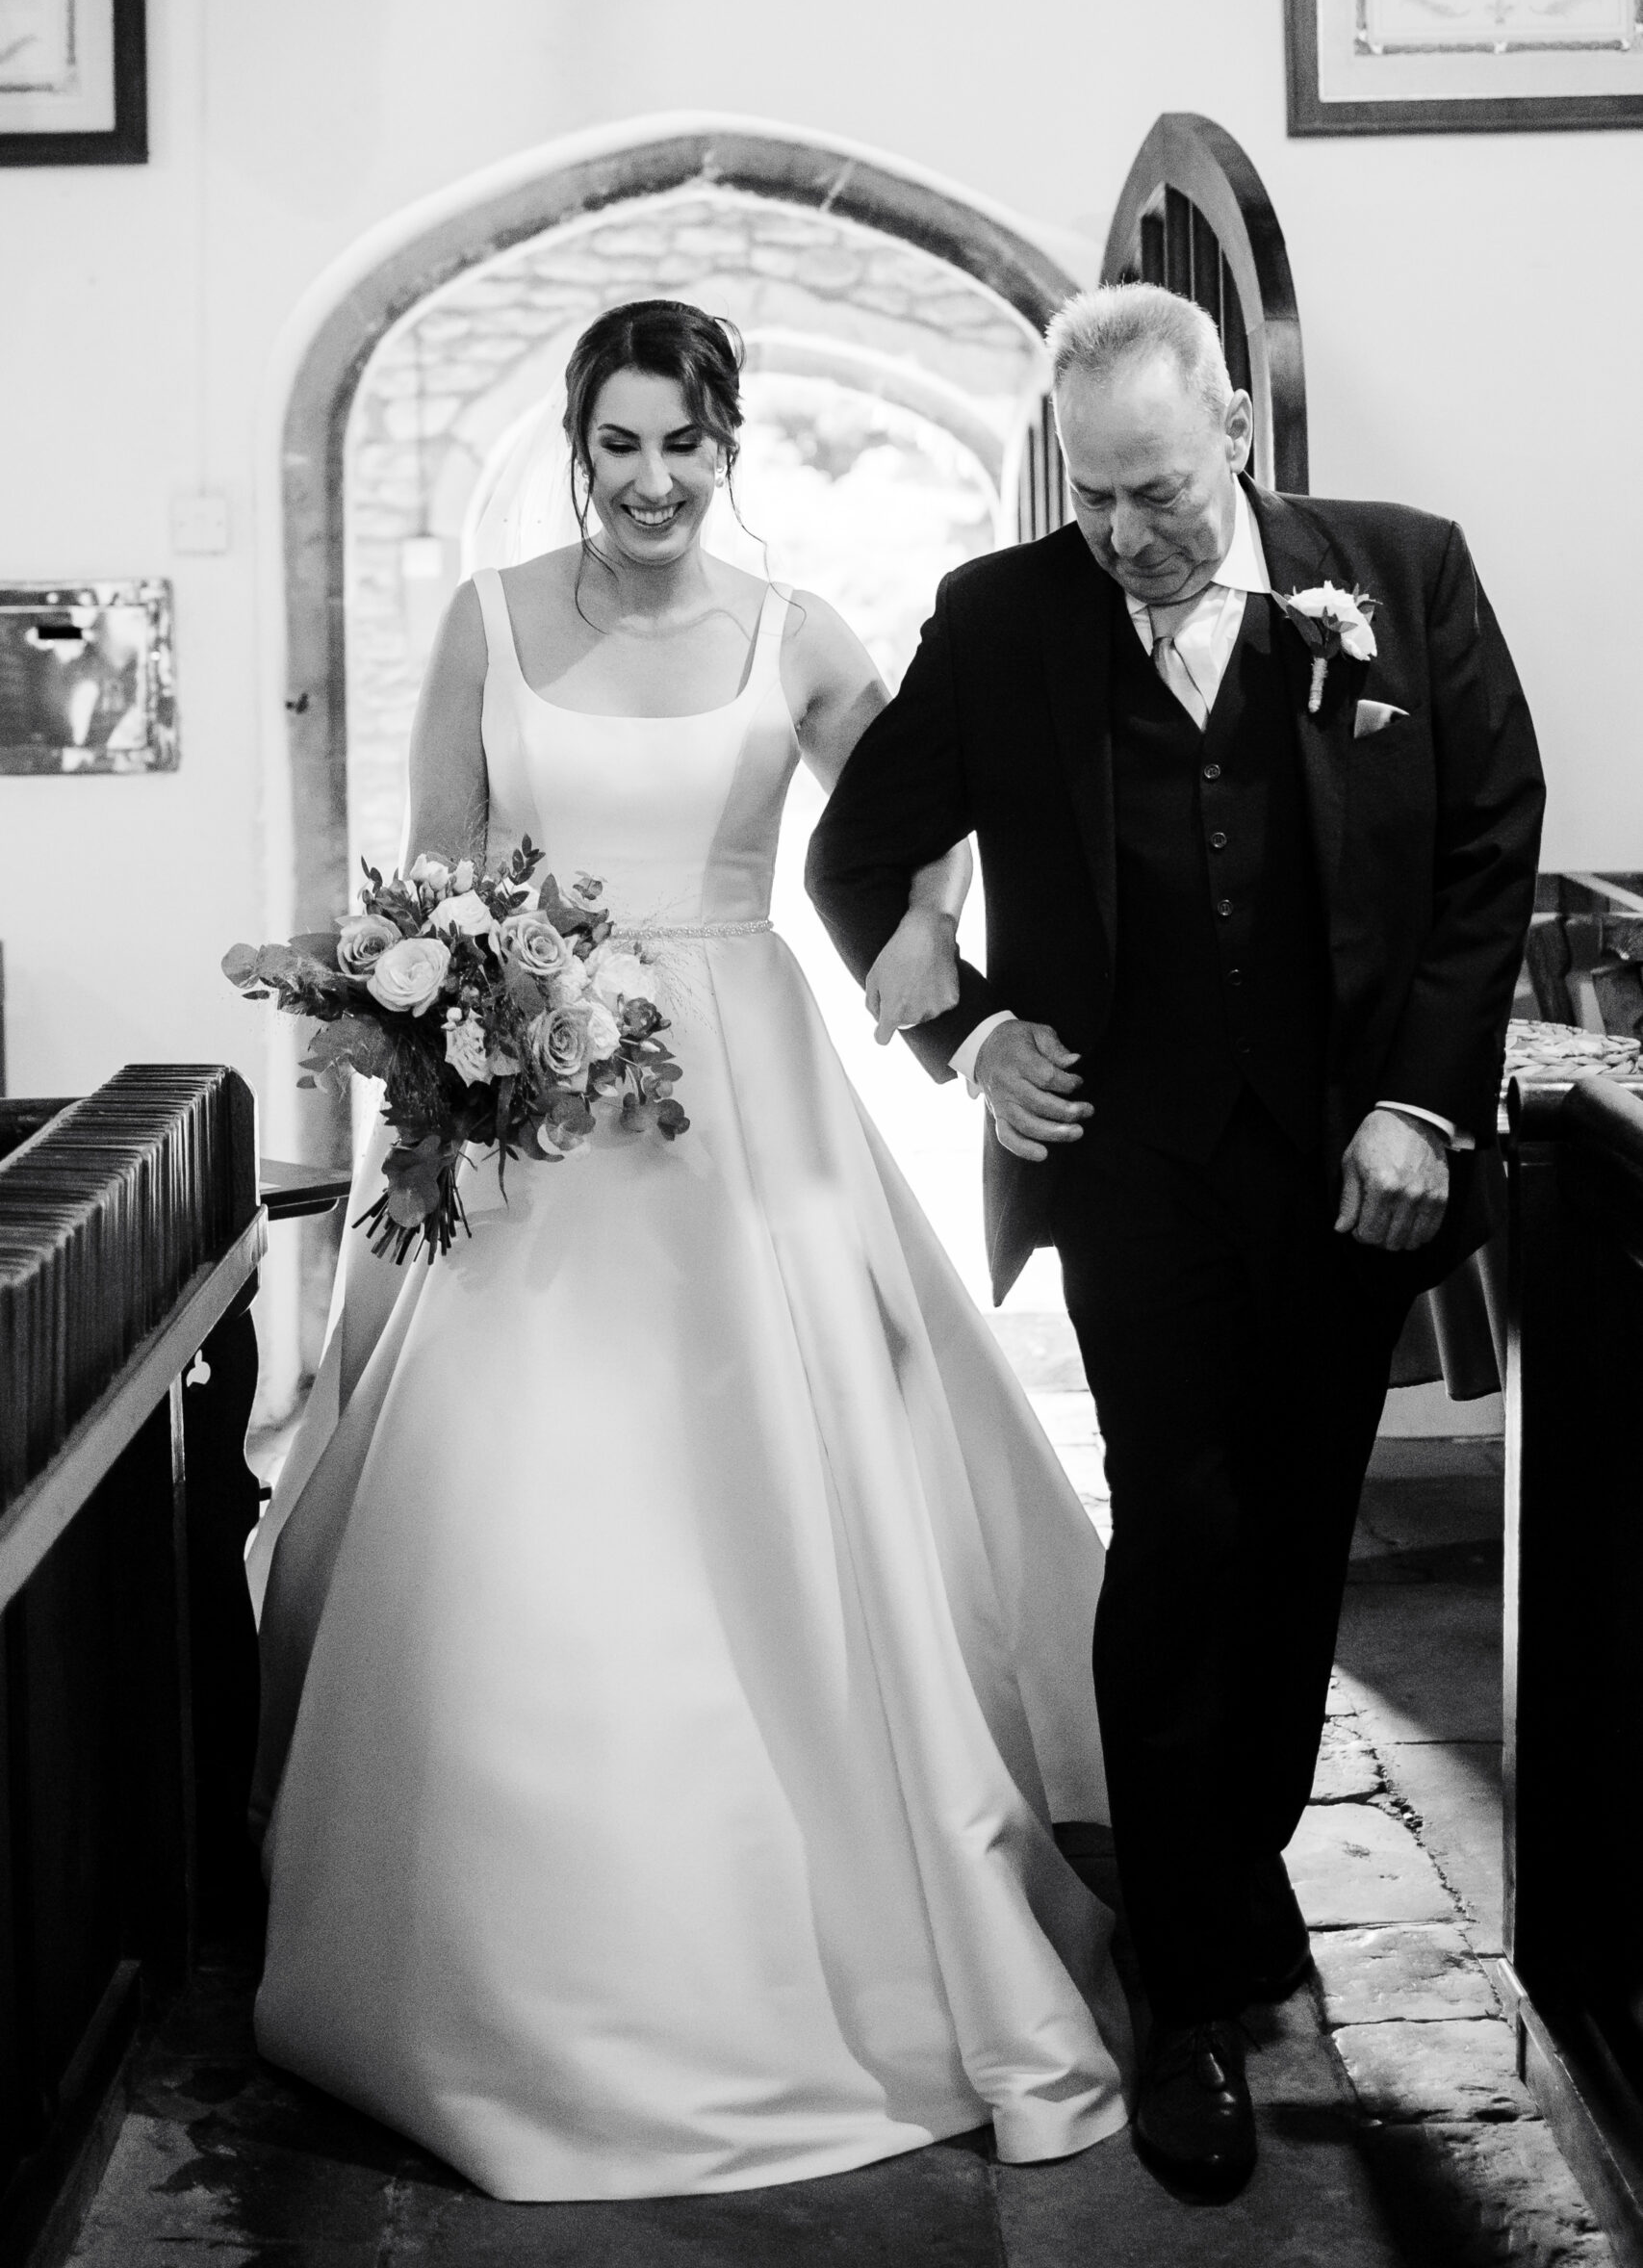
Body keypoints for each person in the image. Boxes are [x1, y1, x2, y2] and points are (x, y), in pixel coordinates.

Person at [247, 299, 1134, 2202]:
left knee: (784, 1492)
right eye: (618, 444)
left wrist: (957, 998)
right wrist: (460, 1034)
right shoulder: (487, 622)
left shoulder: (793, 637)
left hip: (740, 1100)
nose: (650, 481)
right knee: (506, 1506)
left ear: (728, 449)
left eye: (684, 447)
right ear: (578, 442)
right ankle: (494, 1958)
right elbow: (434, 875)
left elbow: (906, 838)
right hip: (535, 1116)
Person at [807, 282, 1544, 2202]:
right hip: (1132, 1164)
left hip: (1346, 1163)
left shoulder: (1396, 575)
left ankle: (1230, 1858)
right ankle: (1188, 1984)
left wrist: (1417, 1100)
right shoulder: (1000, 621)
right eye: (1095, 497)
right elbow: (853, 851)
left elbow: (1484, 842)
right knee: (1185, 1518)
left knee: (1300, 1526)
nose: (1127, 537)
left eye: (1157, 491)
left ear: (1233, 430)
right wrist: (960, 1027)